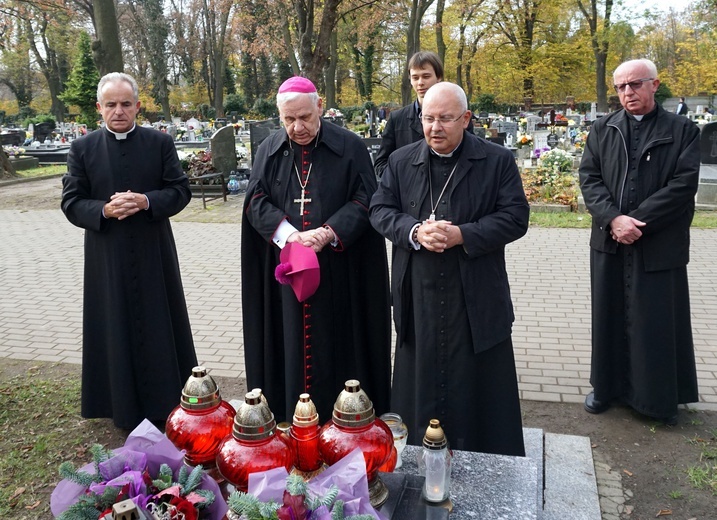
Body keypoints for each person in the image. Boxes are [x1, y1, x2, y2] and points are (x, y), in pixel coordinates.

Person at [369, 82, 529, 455]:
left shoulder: (497, 160)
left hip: (474, 295)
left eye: (445, 119)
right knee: (419, 382)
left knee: (477, 386)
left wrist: (462, 234)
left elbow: (516, 217)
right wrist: (413, 230)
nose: (434, 128)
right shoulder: (400, 160)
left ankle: (483, 455)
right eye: (428, 118)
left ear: (466, 119)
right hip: (418, 295)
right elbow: (379, 210)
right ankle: (416, 455)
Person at [241, 76, 391, 423]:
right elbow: (255, 200)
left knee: (337, 347)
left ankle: (345, 420)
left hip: (340, 275)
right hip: (288, 277)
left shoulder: (349, 146)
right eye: (289, 119)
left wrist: (327, 233)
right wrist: (289, 234)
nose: (298, 127)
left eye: (305, 117)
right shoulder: (270, 149)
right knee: (288, 345)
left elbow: (367, 198)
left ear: (320, 106)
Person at [61, 72, 197, 430]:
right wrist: (103, 210)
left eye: (125, 104)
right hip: (108, 255)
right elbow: (72, 202)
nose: (118, 111)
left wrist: (147, 200)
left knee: (158, 321)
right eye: (111, 105)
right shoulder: (82, 149)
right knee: (115, 323)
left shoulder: (159, 143)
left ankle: (167, 399)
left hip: (154, 253)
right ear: (99, 108)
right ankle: (118, 404)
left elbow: (180, 191)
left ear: (138, 106)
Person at [579, 59, 700, 425]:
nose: (627, 92)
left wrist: (638, 222)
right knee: (608, 316)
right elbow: (590, 179)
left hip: (658, 243)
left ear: (654, 84)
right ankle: (606, 388)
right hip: (610, 239)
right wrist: (614, 219)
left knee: (656, 321)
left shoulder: (683, 130)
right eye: (621, 87)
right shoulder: (602, 129)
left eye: (635, 84)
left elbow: (683, 184)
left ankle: (656, 399)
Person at [373, 51, 473, 178]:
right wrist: (403, 181)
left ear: (438, 77)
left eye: (426, 76)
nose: (420, 82)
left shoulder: (458, 115)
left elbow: (470, 156)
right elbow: (381, 163)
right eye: (415, 77)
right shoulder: (397, 119)